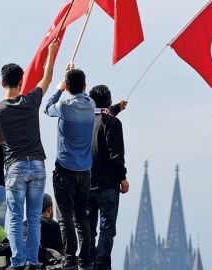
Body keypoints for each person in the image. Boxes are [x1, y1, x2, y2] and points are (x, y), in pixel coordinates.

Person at [0, 40, 59, 270]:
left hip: (15, 166)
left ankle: (18, 261)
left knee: (16, 218)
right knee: (35, 217)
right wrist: (51, 52)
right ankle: (32, 260)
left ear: (2, 82)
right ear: (21, 82)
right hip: (37, 165)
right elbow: (47, 78)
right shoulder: (31, 101)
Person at [45, 65, 95, 270]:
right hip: (85, 172)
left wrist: (58, 87)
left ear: (67, 88)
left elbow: (47, 108)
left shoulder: (64, 105)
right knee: (81, 215)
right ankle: (85, 259)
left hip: (65, 170)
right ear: (85, 85)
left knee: (65, 217)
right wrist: (68, 79)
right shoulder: (91, 104)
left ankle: (70, 258)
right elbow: (79, 93)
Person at [87, 85, 129, 270]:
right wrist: (123, 178)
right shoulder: (113, 123)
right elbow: (116, 155)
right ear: (109, 101)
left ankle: (87, 262)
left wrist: (117, 109)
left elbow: (100, 117)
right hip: (108, 186)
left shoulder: (83, 121)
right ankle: (102, 265)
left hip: (86, 183)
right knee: (107, 229)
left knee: (88, 228)